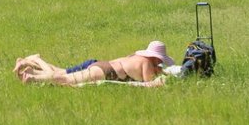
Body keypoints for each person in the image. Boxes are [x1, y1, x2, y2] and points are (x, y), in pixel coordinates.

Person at [13, 41, 174, 87]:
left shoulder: (137, 57)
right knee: (65, 79)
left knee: (65, 77)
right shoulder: (146, 63)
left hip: (104, 66)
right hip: (107, 71)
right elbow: (150, 83)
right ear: (158, 58)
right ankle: (34, 69)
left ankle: (33, 72)